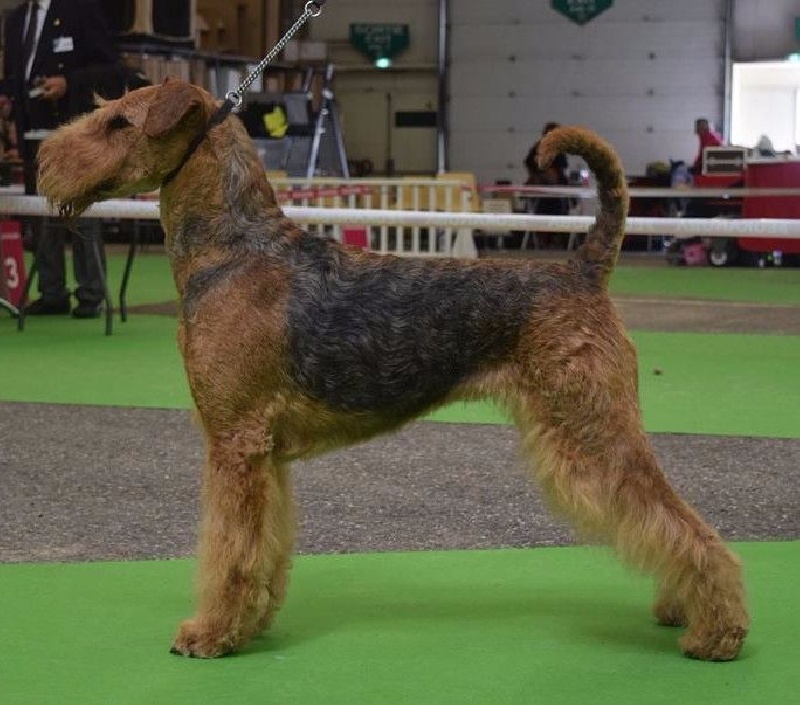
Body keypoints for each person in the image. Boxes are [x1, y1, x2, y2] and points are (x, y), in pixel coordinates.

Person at [0, 0, 117, 317]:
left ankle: (91, 292)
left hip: (75, 133)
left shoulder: (81, 9)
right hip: (33, 136)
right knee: (41, 212)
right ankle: (51, 291)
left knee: (81, 208)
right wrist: (7, 98)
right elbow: (13, 76)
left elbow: (110, 68)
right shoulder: (16, 19)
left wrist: (69, 84)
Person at [523, 121, 570, 248]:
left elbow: (561, 171)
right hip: (542, 193)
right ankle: (544, 239)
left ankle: (555, 238)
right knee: (543, 209)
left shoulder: (559, 151)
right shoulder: (537, 149)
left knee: (563, 206)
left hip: (556, 192)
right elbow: (530, 165)